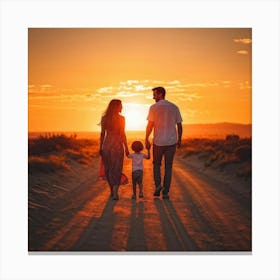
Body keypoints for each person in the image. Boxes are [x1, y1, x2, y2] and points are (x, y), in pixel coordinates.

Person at [145, 87, 183, 199]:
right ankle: (165, 191)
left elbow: (150, 125)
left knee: (156, 165)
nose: (153, 97)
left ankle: (158, 186)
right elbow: (179, 125)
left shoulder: (153, 107)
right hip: (171, 142)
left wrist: (146, 138)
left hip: (158, 142)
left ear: (161, 94)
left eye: (155, 95)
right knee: (168, 166)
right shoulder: (174, 107)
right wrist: (179, 140)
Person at [99, 99, 129, 200]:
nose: (122, 107)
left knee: (108, 169)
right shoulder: (121, 119)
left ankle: (112, 190)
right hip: (117, 146)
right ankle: (115, 193)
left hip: (107, 145)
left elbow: (102, 134)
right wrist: (126, 147)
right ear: (116, 107)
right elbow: (122, 134)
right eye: (121, 105)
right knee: (117, 169)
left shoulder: (104, 118)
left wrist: (101, 147)